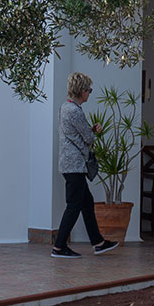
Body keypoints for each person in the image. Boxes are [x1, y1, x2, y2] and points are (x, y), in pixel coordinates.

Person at [53, 71, 119, 258]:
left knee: (87, 204)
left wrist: (88, 132)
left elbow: (74, 134)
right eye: (89, 90)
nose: (89, 93)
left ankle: (98, 242)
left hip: (69, 164)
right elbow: (88, 138)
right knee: (74, 206)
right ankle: (58, 247)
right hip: (75, 165)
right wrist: (95, 131)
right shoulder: (75, 111)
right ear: (81, 91)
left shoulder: (65, 107)